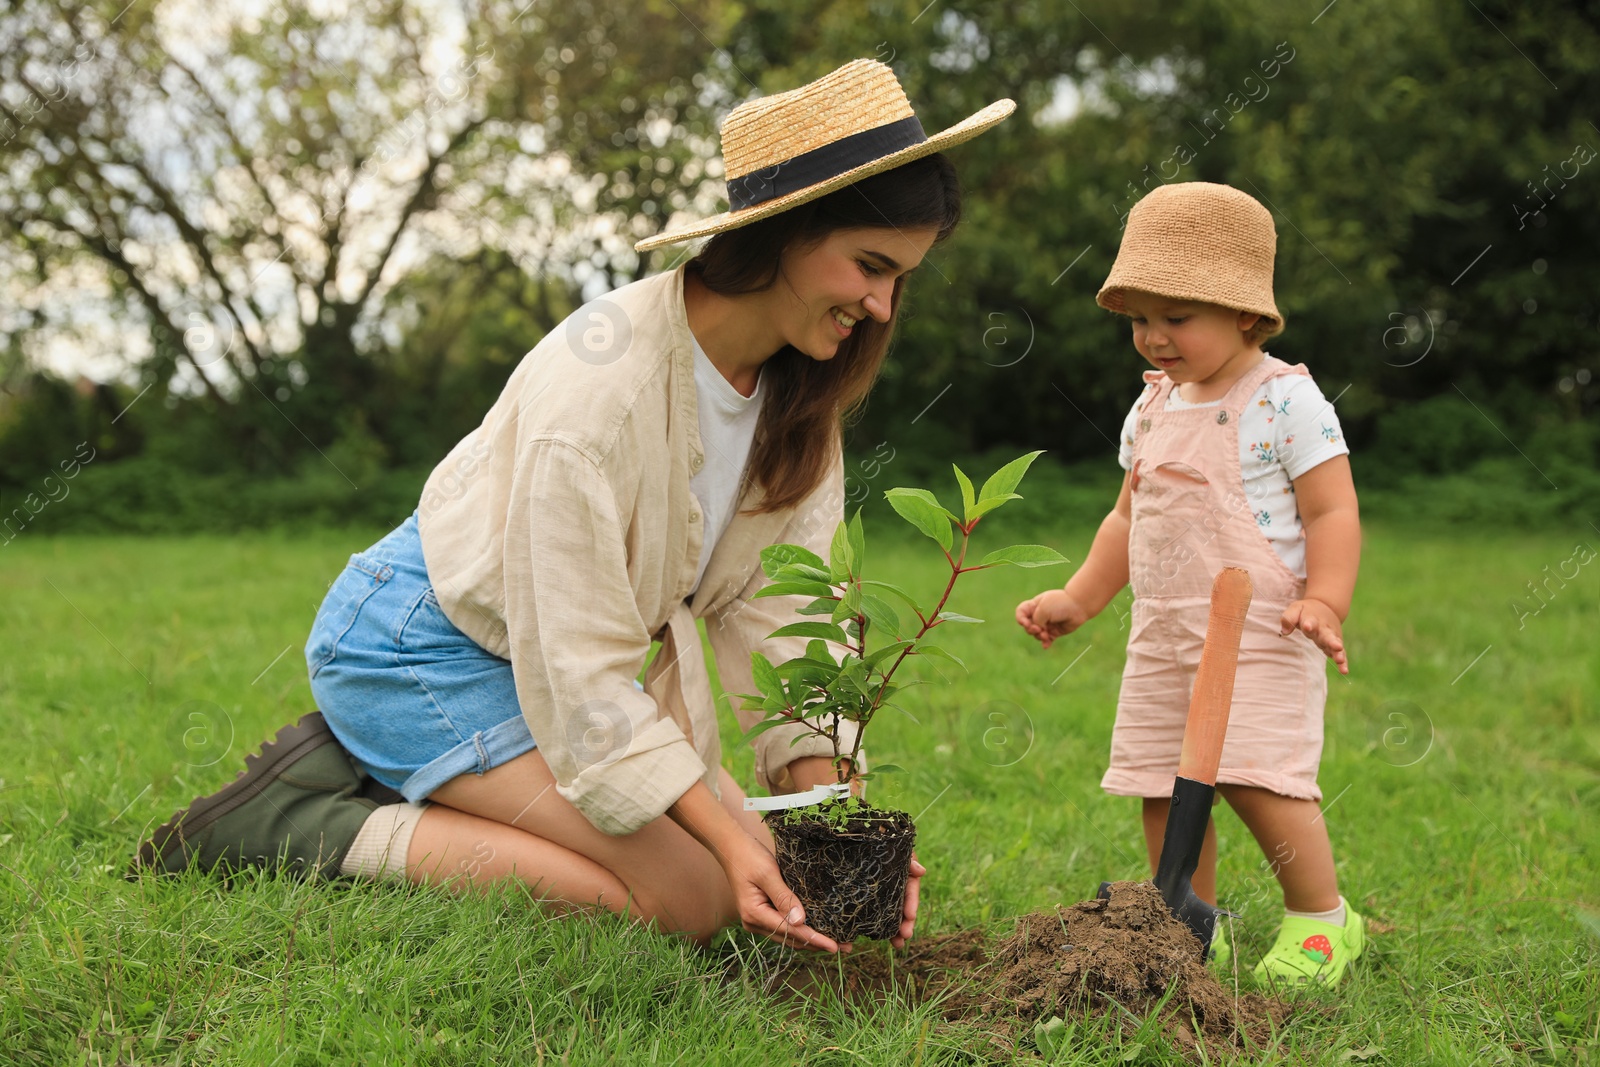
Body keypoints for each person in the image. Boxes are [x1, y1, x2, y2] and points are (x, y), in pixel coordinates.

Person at [131, 59, 1014, 955]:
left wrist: (834, 836)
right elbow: (582, 668)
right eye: (870, 266)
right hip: (425, 649)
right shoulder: (600, 392)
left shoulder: (799, 404)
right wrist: (716, 833)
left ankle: (431, 783)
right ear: (785, 230)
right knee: (694, 900)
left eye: (901, 278)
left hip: (547, 663)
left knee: (764, 863)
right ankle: (310, 820)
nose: (880, 305)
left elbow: (789, 616)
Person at [1015, 182, 1366, 985]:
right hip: (1166, 633)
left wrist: (1326, 599)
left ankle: (1322, 920)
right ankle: (1182, 921)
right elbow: (1125, 518)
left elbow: (1332, 510)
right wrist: (1079, 595)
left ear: (1245, 313)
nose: (1153, 337)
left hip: (1263, 633)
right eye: (1140, 317)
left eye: (1177, 317)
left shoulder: (1285, 400)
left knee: (1256, 776)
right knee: (1158, 782)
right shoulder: (1152, 408)